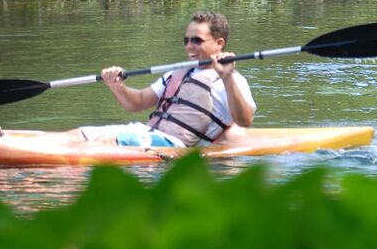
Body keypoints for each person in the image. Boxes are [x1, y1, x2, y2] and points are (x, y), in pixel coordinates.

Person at [74, 11, 257, 147]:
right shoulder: (177, 73)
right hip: (147, 132)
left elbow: (244, 120)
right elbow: (137, 102)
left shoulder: (232, 80)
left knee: (106, 141)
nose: (189, 47)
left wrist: (227, 77)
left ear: (219, 43)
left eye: (196, 40)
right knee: (74, 135)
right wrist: (117, 86)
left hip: (175, 145)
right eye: (186, 40)